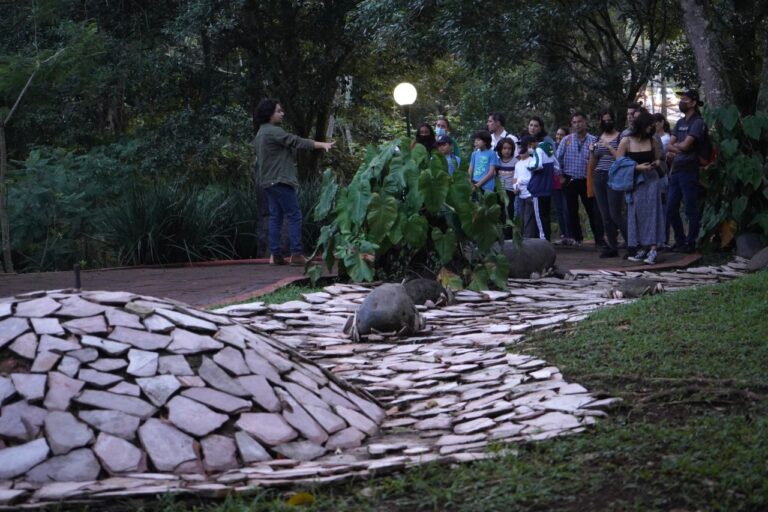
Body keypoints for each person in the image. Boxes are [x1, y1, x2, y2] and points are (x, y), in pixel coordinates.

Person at [254, 99, 334, 266]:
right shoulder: (273, 131)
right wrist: (321, 144)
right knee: (294, 215)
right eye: (278, 111)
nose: (282, 114)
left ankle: (276, 254)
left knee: (276, 216)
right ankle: (296, 254)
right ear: (269, 114)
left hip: (268, 181)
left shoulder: (261, 133)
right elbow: (295, 141)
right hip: (280, 180)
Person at [618, 111, 665, 265]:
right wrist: (637, 167)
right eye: (649, 126)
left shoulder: (653, 141)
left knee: (652, 213)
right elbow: (618, 165)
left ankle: (653, 248)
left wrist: (655, 163)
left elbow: (659, 159)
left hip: (651, 181)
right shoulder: (626, 141)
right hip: (635, 182)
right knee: (636, 214)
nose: (651, 129)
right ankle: (642, 247)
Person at [666, 89, 708, 253]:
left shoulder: (697, 122)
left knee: (690, 208)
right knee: (670, 209)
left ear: (693, 102)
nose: (681, 101)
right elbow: (670, 145)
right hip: (676, 169)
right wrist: (680, 147)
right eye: (681, 98)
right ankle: (680, 241)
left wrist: (678, 147)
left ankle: (691, 243)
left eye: (684, 98)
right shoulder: (680, 122)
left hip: (689, 170)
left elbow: (684, 145)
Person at [555, 112, 604, 247]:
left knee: (592, 210)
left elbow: (600, 159)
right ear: (572, 124)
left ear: (585, 122)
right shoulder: (566, 140)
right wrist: (561, 176)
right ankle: (577, 238)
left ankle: (599, 238)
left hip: (587, 180)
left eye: (580, 121)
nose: (577, 125)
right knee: (571, 210)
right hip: (570, 179)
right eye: (575, 122)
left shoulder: (593, 140)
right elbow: (557, 159)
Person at [589, 108, 627, 257]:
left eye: (609, 120)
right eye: (604, 120)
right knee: (605, 214)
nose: (607, 122)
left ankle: (631, 244)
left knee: (615, 213)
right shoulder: (598, 138)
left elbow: (620, 158)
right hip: (599, 175)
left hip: (614, 175)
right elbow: (593, 162)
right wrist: (592, 151)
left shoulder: (620, 137)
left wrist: (609, 146)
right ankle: (612, 246)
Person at [521, 135, 553, 239]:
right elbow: (556, 165)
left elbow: (538, 165)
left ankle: (543, 240)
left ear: (531, 144)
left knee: (539, 217)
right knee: (545, 216)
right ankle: (548, 238)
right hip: (547, 187)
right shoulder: (548, 148)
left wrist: (529, 166)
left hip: (538, 188)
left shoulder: (538, 150)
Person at [495, 137, 518, 235]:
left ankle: (508, 235)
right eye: (504, 148)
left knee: (509, 213)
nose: (507, 151)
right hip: (499, 190)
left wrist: (515, 188)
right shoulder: (497, 161)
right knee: (499, 213)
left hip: (510, 191)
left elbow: (517, 176)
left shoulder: (516, 161)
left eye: (509, 148)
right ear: (500, 149)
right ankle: (499, 235)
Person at [552, 127, 570, 242]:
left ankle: (570, 234)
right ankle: (563, 234)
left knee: (567, 208)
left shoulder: (569, 148)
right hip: (555, 180)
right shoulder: (552, 147)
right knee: (559, 208)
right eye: (557, 134)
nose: (558, 137)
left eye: (561, 135)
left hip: (567, 180)